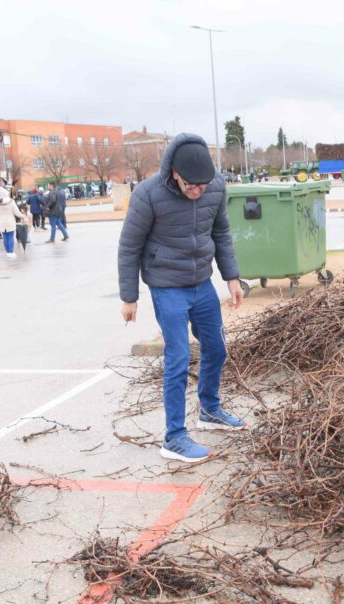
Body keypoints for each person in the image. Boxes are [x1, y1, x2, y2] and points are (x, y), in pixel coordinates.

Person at [117, 133, 246, 463]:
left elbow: (221, 233)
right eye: (192, 184)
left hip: (201, 282)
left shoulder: (215, 186)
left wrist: (232, 277)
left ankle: (210, 409)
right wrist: (129, 297)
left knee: (216, 347)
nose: (198, 190)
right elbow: (129, 246)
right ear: (174, 172)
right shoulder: (148, 194)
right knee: (177, 356)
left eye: (203, 184)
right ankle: (174, 437)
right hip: (166, 285)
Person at [0, 186, 23, 259]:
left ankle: (7, 252)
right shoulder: (11, 201)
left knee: (5, 238)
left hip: (2, 222)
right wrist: (23, 216)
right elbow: (17, 212)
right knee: (10, 237)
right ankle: (11, 252)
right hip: (10, 222)